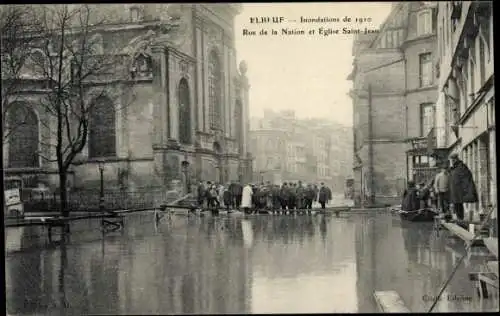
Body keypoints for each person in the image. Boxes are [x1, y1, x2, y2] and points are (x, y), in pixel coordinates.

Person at [449, 153, 478, 221]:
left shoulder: (461, 166)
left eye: (453, 160)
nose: (452, 161)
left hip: (459, 189)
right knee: (457, 204)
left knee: (458, 204)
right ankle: (459, 219)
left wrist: (465, 189)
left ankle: (460, 219)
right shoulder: (454, 167)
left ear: (456, 159)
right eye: (452, 160)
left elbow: (466, 178)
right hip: (455, 189)